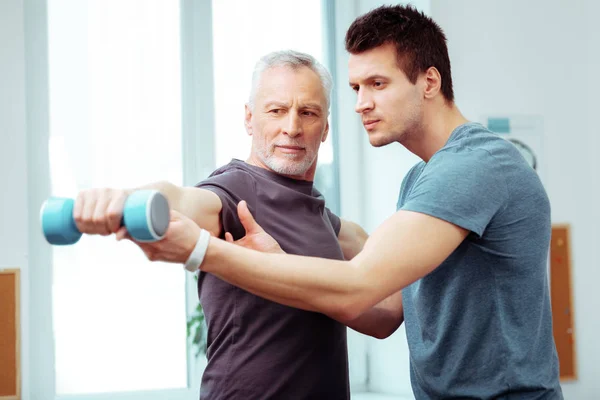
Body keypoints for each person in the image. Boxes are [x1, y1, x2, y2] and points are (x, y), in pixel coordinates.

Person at [131, 5, 564, 399]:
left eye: (377, 84)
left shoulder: (475, 165)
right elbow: (388, 311)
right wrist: (127, 203)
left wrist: (203, 250)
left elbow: (359, 288)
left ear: (429, 82)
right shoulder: (422, 178)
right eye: (356, 87)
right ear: (249, 117)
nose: (362, 104)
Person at [72, 50, 375, 399]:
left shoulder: (321, 216)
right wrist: (124, 198)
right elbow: (182, 200)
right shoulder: (235, 190)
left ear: (325, 127)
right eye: (276, 110)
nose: (291, 127)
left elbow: (384, 273)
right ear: (249, 118)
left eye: (307, 113)